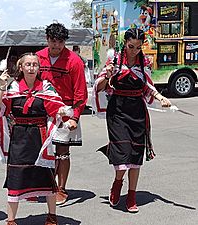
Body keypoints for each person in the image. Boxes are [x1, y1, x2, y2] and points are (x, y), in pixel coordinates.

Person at [94, 28, 171, 213]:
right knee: (123, 154)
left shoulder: (144, 61)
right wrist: (109, 75)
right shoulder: (114, 60)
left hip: (137, 111)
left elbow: (147, 86)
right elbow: (99, 87)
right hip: (118, 111)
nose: (134, 51)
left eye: (137, 47)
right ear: (125, 43)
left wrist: (161, 98)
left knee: (135, 156)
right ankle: (117, 183)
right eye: (131, 46)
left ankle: (131, 196)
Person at [0, 53, 72, 225]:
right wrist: (1, 87)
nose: (31, 68)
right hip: (19, 140)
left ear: (39, 68)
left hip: (40, 138)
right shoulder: (12, 88)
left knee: (47, 178)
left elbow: (57, 108)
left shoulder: (46, 87)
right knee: (16, 179)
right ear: (20, 67)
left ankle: (52, 217)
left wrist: (63, 114)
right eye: (27, 64)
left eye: (35, 64)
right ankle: (11, 220)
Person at [36, 23, 88, 205]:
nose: (56, 45)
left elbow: (81, 93)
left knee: (62, 151)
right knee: (41, 151)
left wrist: (74, 117)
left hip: (65, 111)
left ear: (65, 42)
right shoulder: (38, 58)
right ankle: (43, 186)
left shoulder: (74, 61)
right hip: (41, 111)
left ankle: (61, 189)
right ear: (47, 40)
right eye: (52, 41)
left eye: (60, 42)